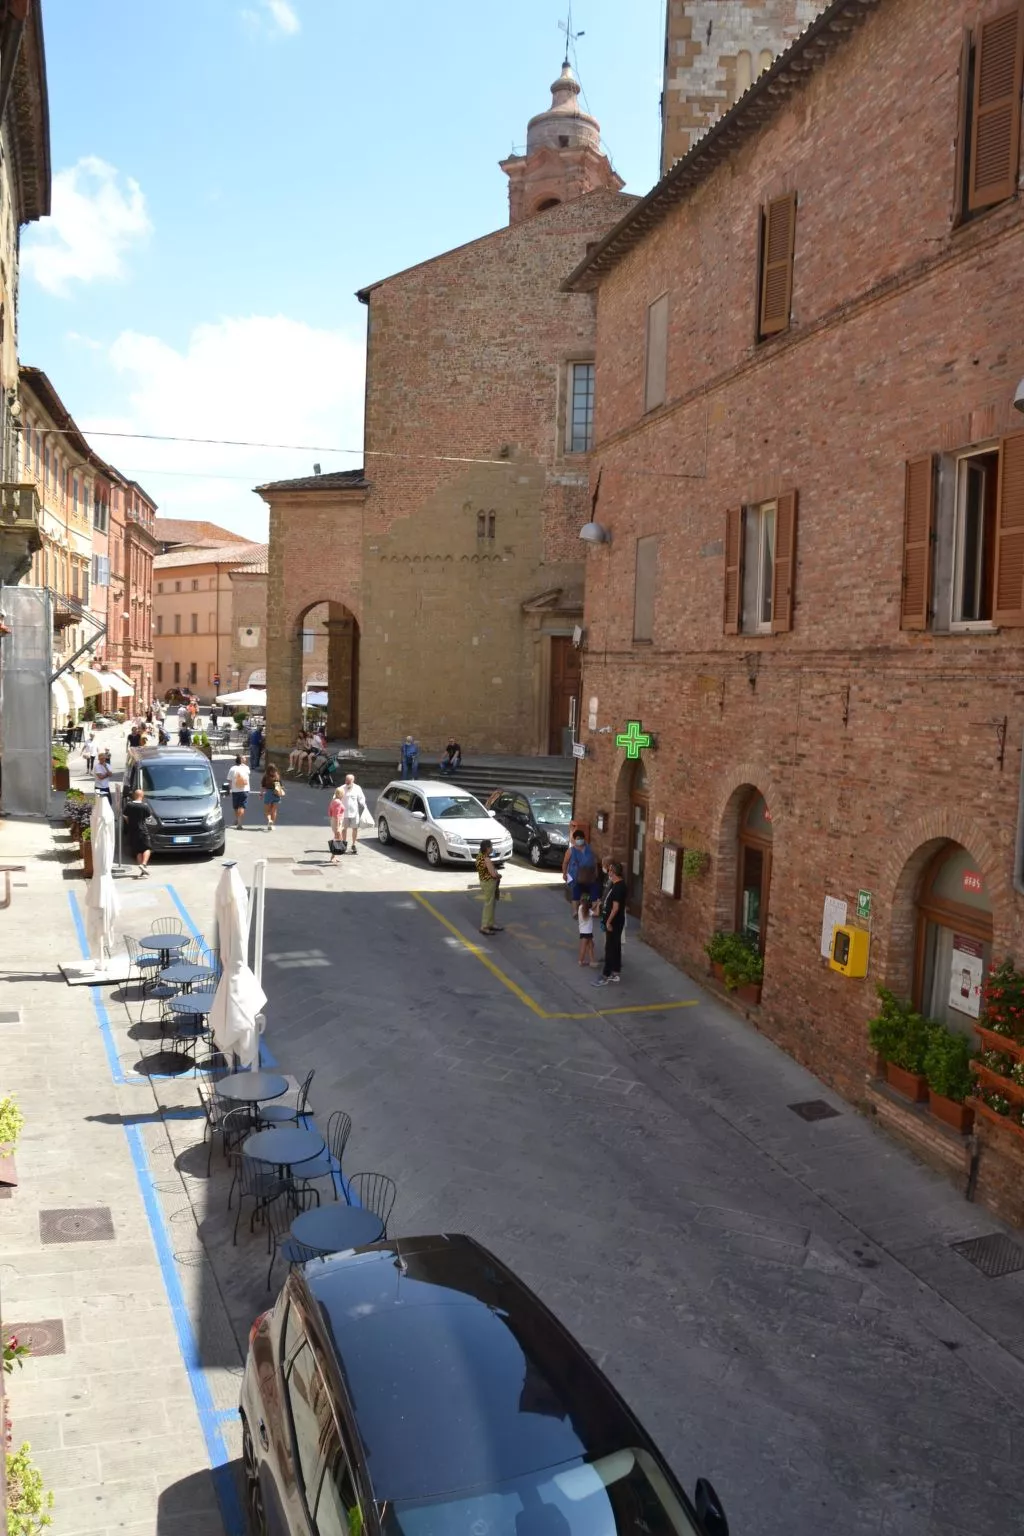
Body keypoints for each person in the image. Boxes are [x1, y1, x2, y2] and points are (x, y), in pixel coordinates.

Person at [595, 861, 628, 986]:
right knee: (615, 946)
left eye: (609, 870)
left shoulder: (619, 887)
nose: (608, 872)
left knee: (610, 948)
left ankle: (606, 974)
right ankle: (616, 972)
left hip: (614, 922)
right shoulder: (616, 884)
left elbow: (615, 907)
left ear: (613, 872)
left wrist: (608, 921)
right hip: (614, 921)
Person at [563, 830, 599, 918]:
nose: (580, 840)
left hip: (589, 877)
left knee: (595, 891)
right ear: (574, 839)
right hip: (576, 877)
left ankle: (595, 911)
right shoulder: (571, 851)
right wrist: (564, 873)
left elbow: (595, 862)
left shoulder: (589, 849)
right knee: (576, 893)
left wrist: (596, 872)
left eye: (581, 838)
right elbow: (565, 863)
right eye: (578, 839)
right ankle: (575, 912)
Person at [475, 839, 502, 936]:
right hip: (489, 883)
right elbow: (493, 874)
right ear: (487, 848)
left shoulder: (479, 857)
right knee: (489, 904)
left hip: (483, 881)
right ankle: (485, 926)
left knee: (491, 903)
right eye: (491, 847)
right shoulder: (486, 859)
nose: (492, 849)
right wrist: (498, 875)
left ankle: (490, 923)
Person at [124, 787, 153, 877]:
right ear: (142, 795)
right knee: (147, 848)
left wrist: (129, 823)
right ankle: (143, 864)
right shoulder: (145, 806)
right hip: (143, 830)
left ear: (134, 795)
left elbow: (125, 816)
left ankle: (142, 871)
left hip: (133, 831)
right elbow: (149, 817)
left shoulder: (129, 805)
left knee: (138, 851)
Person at [338, 773, 367, 854]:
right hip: (344, 813)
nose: (347, 782)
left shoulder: (357, 788)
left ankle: (353, 844)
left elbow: (361, 798)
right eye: (346, 780)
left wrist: (364, 806)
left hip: (354, 813)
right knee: (344, 829)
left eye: (349, 781)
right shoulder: (341, 788)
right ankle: (344, 843)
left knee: (355, 828)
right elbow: (336, 797)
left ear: (353, 781)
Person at [226, 755, 250, 830]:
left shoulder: (232, 768)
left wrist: (230, 789)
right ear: (242, 761)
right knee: (241, 806)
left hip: (235, 790)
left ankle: (237, 819)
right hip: (244, 790)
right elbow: (248, 773)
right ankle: (239, 822)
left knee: (236, 807)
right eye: (244, 759)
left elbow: (229, 780)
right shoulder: (246, 768)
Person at [261, 763, 284, 830]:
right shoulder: (277, 776)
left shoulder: (266, 776)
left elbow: (263, 786)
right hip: (276, 793)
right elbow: (280, 786)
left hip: (268, 794)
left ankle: (269, 820)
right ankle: (272, 825)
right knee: (274, 811)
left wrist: (261, 794)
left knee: (267, 811)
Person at [328, 784, 346, 862]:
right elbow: (337, 815)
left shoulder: (333, 800)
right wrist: (338, 827)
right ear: (341, 794)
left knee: (337, 838)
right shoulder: (338, 802)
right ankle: (333, 856)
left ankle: (334, 856)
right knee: (337, 838)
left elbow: (330, 812)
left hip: (333, 820)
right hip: (337, 821)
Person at [578, 896, 595, 967]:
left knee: (591, 945)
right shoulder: (588, 910)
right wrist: (598, 906)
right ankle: (581, 961)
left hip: (583, 931)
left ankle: (592, 961)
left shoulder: (581, 908)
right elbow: (596, 913)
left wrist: (596, 905)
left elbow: (590, 911)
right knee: (585, 947)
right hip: (587, 932)